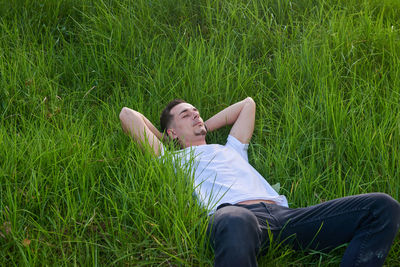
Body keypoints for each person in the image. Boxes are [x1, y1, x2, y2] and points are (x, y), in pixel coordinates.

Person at [119, 97, 400, 267]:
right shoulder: (171, 161)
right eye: (185, 114)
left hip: (286, 217)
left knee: (383, 207)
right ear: (170, 133)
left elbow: (247, 105)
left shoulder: (231, 149)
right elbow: (127, 115)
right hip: (237, 218)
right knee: (234, 219)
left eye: (196, 111)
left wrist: (203, 127)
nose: (195, 114)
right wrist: (168, 143)